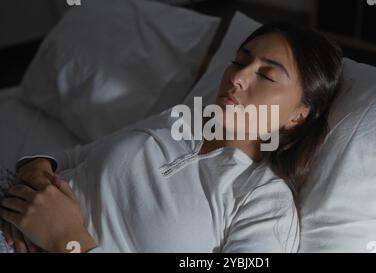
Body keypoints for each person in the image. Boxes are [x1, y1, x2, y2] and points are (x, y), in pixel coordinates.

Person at [0, 23, 342, 253]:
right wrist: (32, 176)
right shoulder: (179, 120)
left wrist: (66, 239)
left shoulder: (263, 204)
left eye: (266, 75)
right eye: (239, 60)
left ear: (300, 114)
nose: (237, 76)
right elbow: (75, 156)